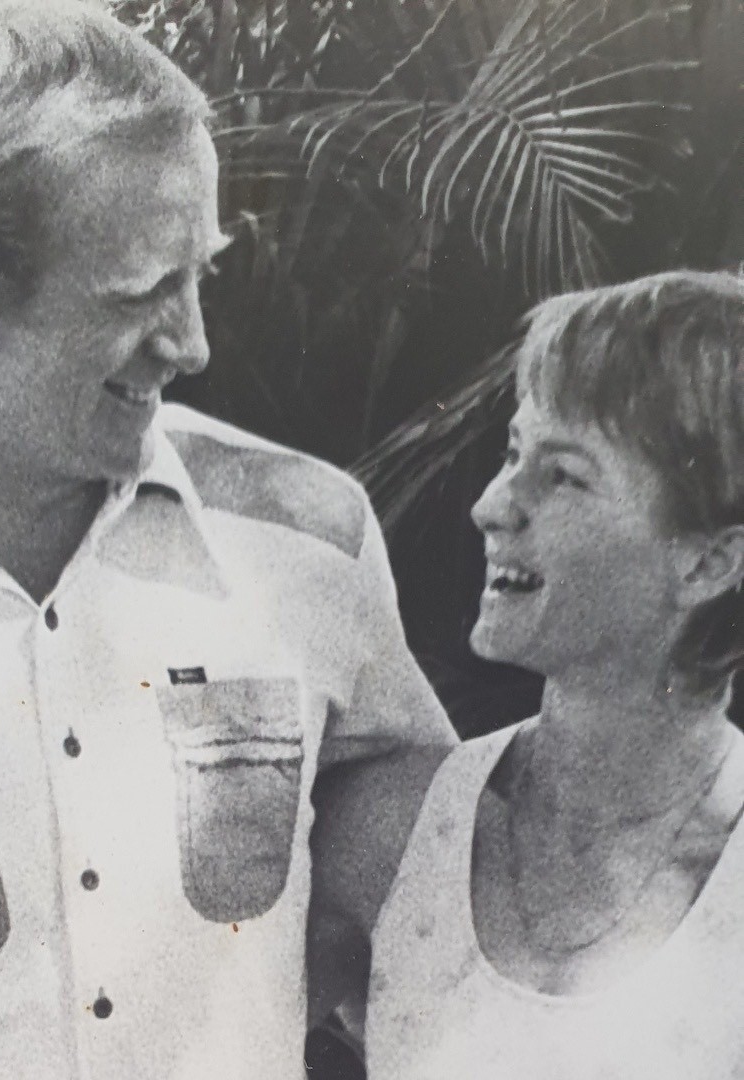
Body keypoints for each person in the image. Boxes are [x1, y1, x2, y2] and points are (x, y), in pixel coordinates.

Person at [0, 3, 455, 1078]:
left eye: (200, 275)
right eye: (139, 293)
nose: (190, 343)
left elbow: (449, 921)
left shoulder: (307, 543)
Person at [357, 270, 744, 1078]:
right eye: (512, 453)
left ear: (709, 561)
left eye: (563, 475)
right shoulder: (395, 831)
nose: (493, 504)